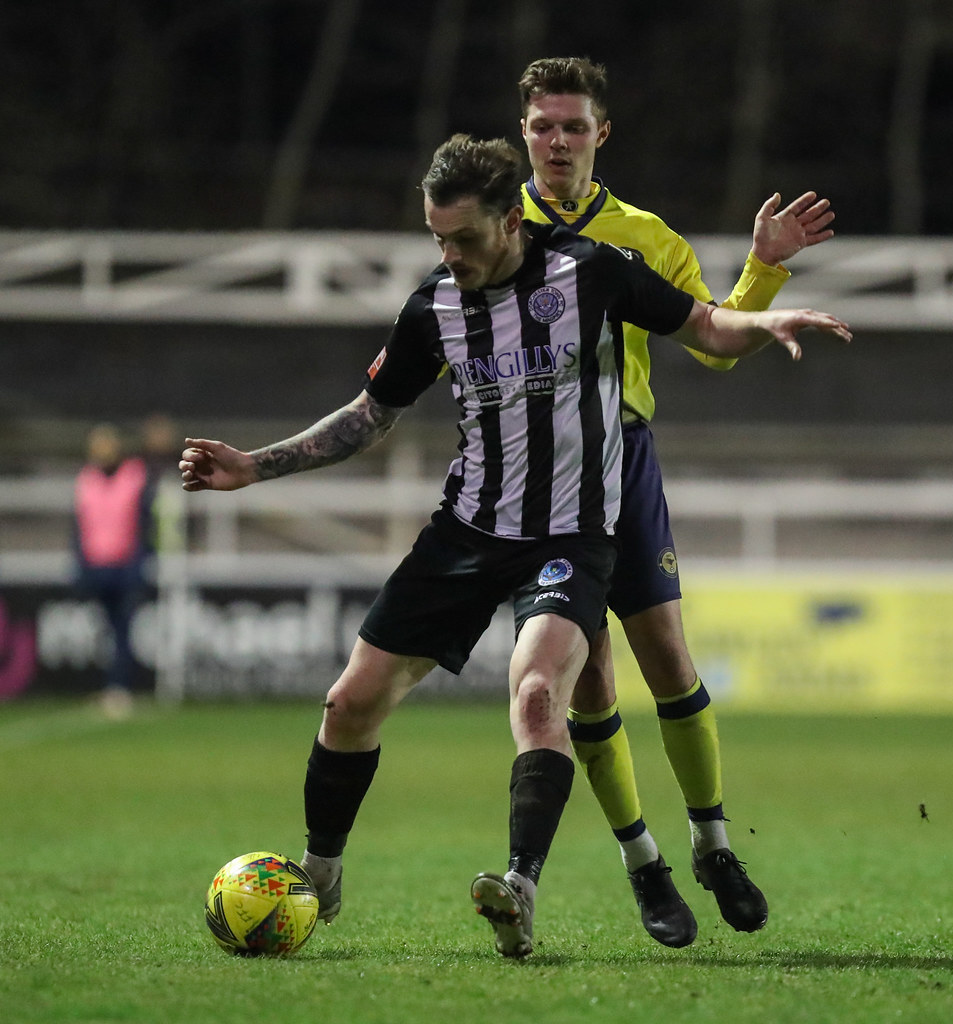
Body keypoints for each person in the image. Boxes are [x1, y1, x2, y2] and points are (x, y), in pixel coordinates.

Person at [179, 134, 850, 959]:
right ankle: (320, 872)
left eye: (463, 239)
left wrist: (767, 313)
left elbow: (707, 330)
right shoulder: (434, 308)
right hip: (466, 530)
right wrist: (255, 465)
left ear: (510, 221)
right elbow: (370, 416)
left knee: (538, 696)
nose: (450, 255)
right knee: (348, 705)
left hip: (571, 535)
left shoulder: (592, 271)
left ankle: (522, 888)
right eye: (438, 240)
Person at [516, 56, 837, 946]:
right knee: (587, 680)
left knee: (668, 659)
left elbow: (711, 340)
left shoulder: (645, 235)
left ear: (601, 134)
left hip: (624, 460)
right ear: (524, 134)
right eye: (542, 126)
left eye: (573, 126)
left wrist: (764, 276)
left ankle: (712, 843)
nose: (556, 142)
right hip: (535, 476)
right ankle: (644, 865)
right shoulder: (498, 228)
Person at [72, 423, 151, 718]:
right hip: (97, 566)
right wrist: (80, 565)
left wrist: (141, 562)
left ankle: (119, 688)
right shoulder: (86, 479)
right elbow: (79, 527)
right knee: (108, 631)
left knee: (123, 629)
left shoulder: (135, 476)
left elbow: (145, 524)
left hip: (126, 566)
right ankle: (113, 686)